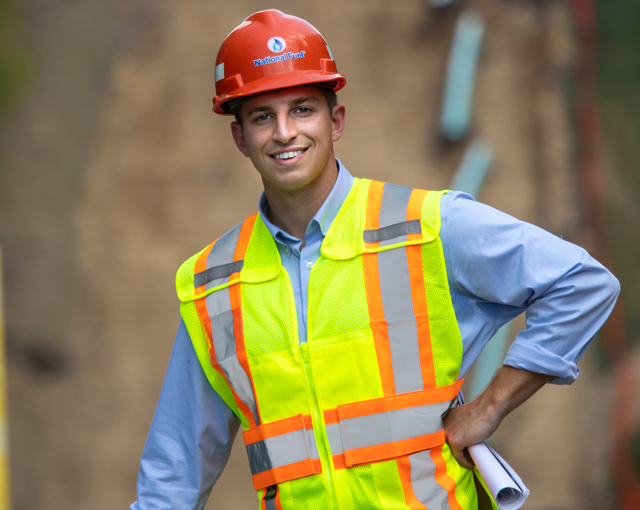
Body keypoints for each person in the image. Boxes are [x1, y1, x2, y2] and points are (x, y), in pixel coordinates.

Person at [131, 9, 619, 510]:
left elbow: (582, 283)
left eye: (302, 109)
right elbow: (174, 473)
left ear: (335, 120)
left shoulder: (427, 227)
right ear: (240, 138)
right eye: (261, 116)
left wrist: (491, 405)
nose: (283, 132)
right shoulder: (214, 284)